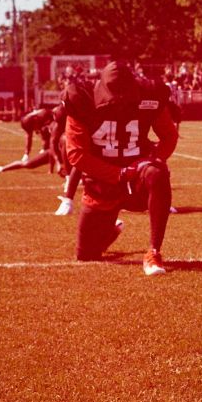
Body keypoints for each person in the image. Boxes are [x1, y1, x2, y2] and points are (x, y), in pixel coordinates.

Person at [63, 61, 179, 275]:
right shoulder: (82, 98)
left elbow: (169, 136)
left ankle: (154, 251)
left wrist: (150, 159)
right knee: (86, 255)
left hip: (138, 178)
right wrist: (119, 174)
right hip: (102, 183)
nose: (121, 103)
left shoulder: (150, 94)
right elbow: (76, 154)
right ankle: (111, 229)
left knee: (157, 172)